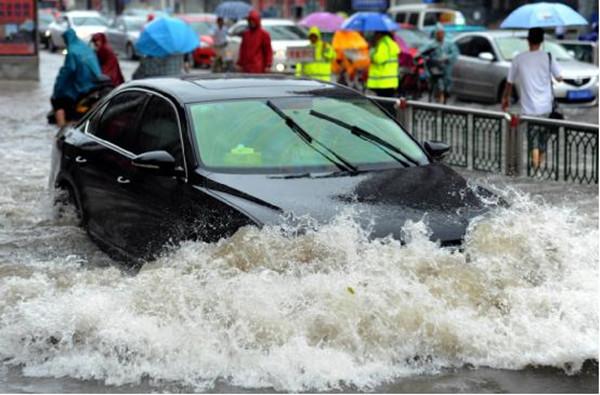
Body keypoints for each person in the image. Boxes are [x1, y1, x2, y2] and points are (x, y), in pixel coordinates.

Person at [502, 27, 563, 170]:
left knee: (533, 142)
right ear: (542, 41)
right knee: (542, 142)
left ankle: (534, 170)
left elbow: (509, 83)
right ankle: (539, 169)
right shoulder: (548, 56)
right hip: (546, 108)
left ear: (528, 41)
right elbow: (560, 77)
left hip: (528, 109)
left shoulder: (518, 59)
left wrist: (505, 99)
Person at [51, 28, 105, 127]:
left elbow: (69, 70)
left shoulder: (72, 51)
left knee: (58, 102)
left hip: (82, 86)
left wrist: (57, 89)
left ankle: (61, 129)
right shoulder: (85, 47)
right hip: (96, 83)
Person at [419, 24, 458, 103]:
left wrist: (447, 58)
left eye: (442, 33)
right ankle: (433, 98)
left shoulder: (449, 43)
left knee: (446, 85)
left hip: (446, 69)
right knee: (435, 84)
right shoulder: (431, 44)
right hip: (434, 69)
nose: (440, 35)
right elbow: (422, 53)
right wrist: (429, 59)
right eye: (438, 33)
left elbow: (455, 54)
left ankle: (444, 98)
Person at [366, 31, 400, 97]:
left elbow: (379, 59)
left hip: (382, 82)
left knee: (383, 104)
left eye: (375, 34)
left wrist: (371, 52)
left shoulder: (383, 44)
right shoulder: (389, 42)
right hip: (388, 81)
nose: (374, 36)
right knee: (386, 103)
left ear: (379, 34)